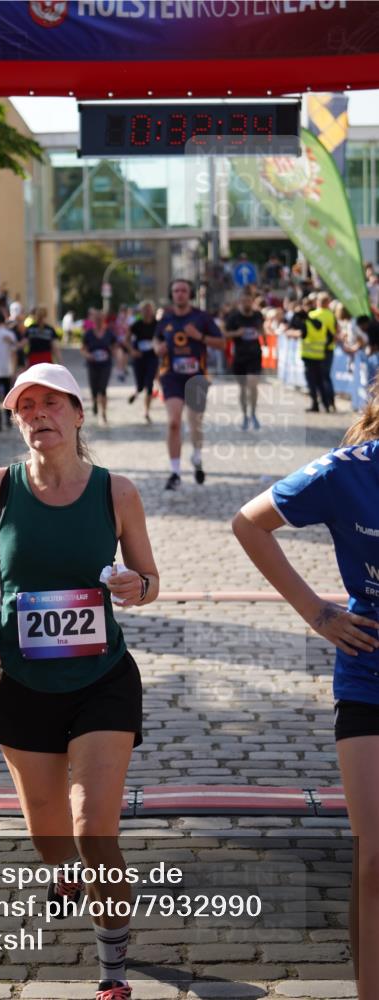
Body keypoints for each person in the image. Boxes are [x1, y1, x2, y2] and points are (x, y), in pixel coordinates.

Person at [0, 363, 159, 1000]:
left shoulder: (116, 492)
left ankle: (113, 966)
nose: (38, 414)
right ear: (16, 420)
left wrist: (134, 586)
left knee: (91, 825)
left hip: (103, 678)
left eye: (50, 404)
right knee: (50, 837)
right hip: (20, 679)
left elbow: (149, 581)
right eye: (25, 407)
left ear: (77, 414)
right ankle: (63, 874)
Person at [232, 383, 379, 1000]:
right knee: (375, 857)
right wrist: (316, 611)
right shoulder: (348, 472)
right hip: (369, 672)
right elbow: (248, 522)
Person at [155, 280, 224, 490]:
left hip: (196, 377)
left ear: (190, 294)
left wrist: (199, 337)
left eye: (184, 290)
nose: (180, 294)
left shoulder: (202, 317)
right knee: (173, 423)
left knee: (195, 422)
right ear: (171, 294)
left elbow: (221, 343)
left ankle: (196, 456)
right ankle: (175, 472)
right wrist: (159, 348)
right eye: (176, 290)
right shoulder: (165, 318)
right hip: (171, 377)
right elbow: (156, 342)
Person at [224, 289, 265, 430]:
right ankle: (245, 416)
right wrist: (237, 333)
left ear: (252, 301)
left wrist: (262, 335)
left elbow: (262, 329)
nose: (247, 303)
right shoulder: (233, 317)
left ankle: (253, 413)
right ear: (240, 301)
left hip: (255, 355)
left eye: (249, 300)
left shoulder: (258, 315)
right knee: (242, 388)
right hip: (240, 356)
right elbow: (225, 334)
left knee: (252, 385)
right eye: (244, 300)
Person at [287, 304, 328, 412]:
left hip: (309, 358)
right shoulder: (321, 324)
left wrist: (290, 332)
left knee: (312, 383)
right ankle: (326, 405)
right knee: (320, 382)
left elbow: (301, 334)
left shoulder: (306, 324)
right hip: (320, 356)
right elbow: (328, 337)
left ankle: (315, 405)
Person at [81, 309, 117, 423]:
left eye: (101, 319)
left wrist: (113, 352)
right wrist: (88, 355)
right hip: (93, 364)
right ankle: (95, 403)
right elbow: (83, 348)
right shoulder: (89, 334)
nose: (99, 321)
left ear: (104, 320)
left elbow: (115, 346)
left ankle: (104, 413)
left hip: (106, 364)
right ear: (93, 321)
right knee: (94, 389)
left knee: (103, 388)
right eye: (97, 319)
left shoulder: (109, 333)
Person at [128, 301, 159, 425]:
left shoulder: (158, 325)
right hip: (139, 358)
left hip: (152, 357)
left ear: (153, 311)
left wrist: (159, 348)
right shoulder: (136, 325)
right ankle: (137, 392)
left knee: (149, 383)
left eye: (149, 309)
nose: (147, 311)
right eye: (145, 309)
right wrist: (132, 351)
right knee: (140, 385)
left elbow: (164, 338)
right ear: (141, 311)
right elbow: (125, 340)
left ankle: (146, 412)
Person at [309, 292, 339, 413]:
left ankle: (319, 402)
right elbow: (335, 332)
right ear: (327, 303)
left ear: (317, 302)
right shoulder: (331, 315)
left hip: (314, 351)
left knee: (316, 378)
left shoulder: (311, 314)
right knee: (326, 377)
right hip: (328, 349)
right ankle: (330, 403)